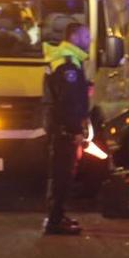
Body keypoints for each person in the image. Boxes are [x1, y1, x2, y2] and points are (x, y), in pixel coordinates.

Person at [42, 22, 91, 235]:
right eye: (86, 37)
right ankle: (55, 221)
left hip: (59, 126)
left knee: (60, 174)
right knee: (63, 175)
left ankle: (57, 215)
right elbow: (68, 101)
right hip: (64, 129)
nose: (89, 41)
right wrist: (75, 130)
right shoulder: (68, 64)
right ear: (73, 37)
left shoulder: (67, 60)